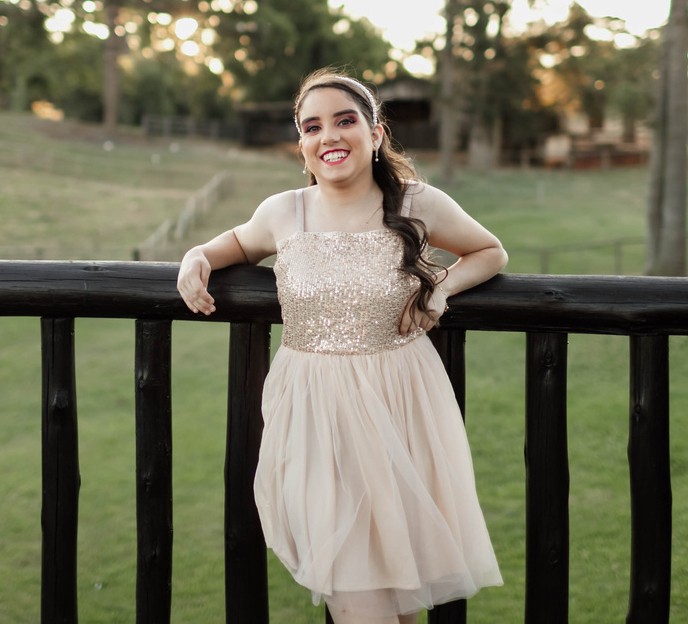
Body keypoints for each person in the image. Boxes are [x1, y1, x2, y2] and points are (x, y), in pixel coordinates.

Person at [176, 68, 506, 624]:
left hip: (400, 410)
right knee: (359, 600)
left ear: (375, 134)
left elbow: (490, 251)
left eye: (344, 121)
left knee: (399, 600)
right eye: (312, 127)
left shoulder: (418, 202)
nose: (328, 136)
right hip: (314, 420)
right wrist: (195, 257)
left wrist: (441, 287)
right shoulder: (283, 211)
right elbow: (229, 245)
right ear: (302, 145)